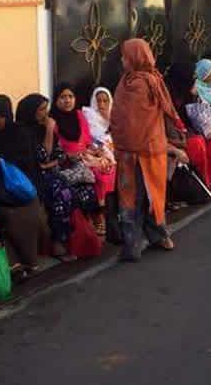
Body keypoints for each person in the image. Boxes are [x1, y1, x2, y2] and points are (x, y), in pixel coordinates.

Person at [110, 39, 177, 261]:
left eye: (125, 56)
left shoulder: (142, 83)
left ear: (135, 58)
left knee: (141, 198)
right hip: (137, 151)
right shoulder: (130, 81)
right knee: (144, 197)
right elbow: (121, 118)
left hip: (143, 151)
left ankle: (138, 244)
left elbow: (135, 122)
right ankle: (149, 240)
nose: (122, 60)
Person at [0, 94, 51, 276]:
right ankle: (12, 265)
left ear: (8, 116)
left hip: (19, 188)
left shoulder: (20, 134)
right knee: (5, 215)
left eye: (0, 116)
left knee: (30, 213)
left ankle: (28, 260)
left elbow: (30, 168)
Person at [18, 93, 101, 258]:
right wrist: (49, 131)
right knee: (63, 194)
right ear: (31, 111)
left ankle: (82, 234)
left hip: (52, 172)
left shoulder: (42, 127)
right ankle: (59, 240)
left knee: (87, 189)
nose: (45, 114)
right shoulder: (25, 132)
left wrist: (51, 162)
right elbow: (43, 157)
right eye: (41, 110)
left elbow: (59, 155)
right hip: (34, 177)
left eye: (45, 109)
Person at [51, 83, 116, 234]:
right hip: (67, 161)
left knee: (107, 166)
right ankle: (98, 215)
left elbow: (86, 140)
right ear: (56, 100)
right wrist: (74, 155)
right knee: (97, 174)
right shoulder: (53, 120)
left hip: (84, 155)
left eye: (70, 97)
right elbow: (57, 148)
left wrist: (96, 150)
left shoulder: (79, 115)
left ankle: (104, 213)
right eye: (63, 97)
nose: (67, 101)